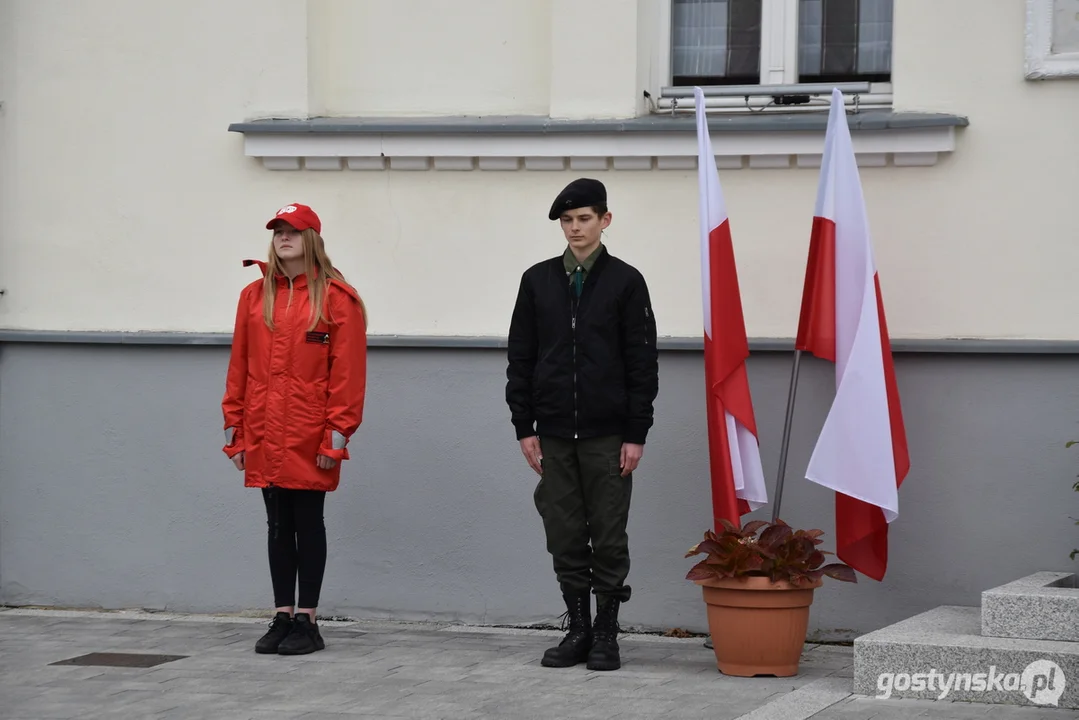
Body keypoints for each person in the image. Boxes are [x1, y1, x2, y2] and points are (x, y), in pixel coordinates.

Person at [505, 178, 659, 671]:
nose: (575, 228)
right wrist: (523, 426)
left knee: (609, 533)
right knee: (564, 530)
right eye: (567, 221)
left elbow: (642, 363)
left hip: (607, 434)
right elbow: (521, 357)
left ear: (605, 221)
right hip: (551, 431)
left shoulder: (625, 281)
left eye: (585, 219)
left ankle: (607, 633)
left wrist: (636, 433)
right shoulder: (538, 280)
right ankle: (578, 628)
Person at [221, 202, 368, 655]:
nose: (284, 236)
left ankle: (308, 620)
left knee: (309, 521)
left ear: (313, 239)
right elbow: (240, 366)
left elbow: (348, 374)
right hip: (265, 429)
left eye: (294, 230)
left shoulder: (337, 298)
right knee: (277, 524)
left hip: (309, 433)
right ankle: (282, 614)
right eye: (278, 230)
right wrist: (236, 430)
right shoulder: (253, 296)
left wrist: (336, 436)